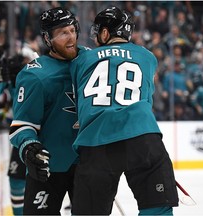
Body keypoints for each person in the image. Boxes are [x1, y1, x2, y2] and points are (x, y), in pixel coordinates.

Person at [70, 6, 179, 215]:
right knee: (158, 208)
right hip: (142, 136)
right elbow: (145, 97)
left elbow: (81, 104)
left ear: (105, 33)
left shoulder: (81, 60)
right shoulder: (148, 57)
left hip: (96, 139)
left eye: (97, 32)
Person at [9, 7, 79, 215]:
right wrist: (30, 146)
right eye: (62, 33)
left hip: (87, 165)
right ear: (48, 39)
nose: (70, 37)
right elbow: (21, 126)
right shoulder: (35, 76)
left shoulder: (90, 63)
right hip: (48, 168)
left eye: (72, 30)